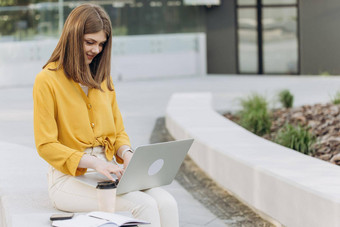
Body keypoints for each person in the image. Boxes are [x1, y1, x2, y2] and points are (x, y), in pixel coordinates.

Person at [33, 4, 179, 227]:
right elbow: (46, 144)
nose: (96, 50)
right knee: (143, 205)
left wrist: (127, 154)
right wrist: (94, 162)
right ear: (72, 37)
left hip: (108, 171)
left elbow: (118, 132)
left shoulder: (103, 80)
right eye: (89, 42)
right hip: (69, 179)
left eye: (101, 44)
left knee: (167, 203)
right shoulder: (47, 80)